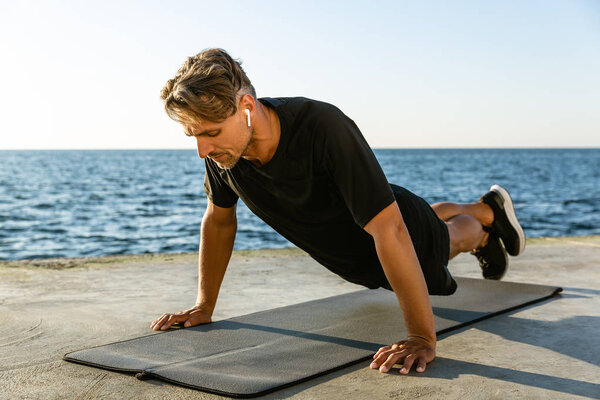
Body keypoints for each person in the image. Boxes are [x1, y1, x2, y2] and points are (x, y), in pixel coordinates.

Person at [150, 48, 526, 375]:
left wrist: (421, 337)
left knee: (444, 242)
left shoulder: (321, 126)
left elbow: (391, 229)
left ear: (246, 107)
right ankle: (477, 209)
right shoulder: (224, 155)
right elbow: (218, 221)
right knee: (403, 223)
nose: (201, 149)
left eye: (210, 133)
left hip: (397, 230)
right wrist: (204, 305)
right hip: (361, 244)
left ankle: (486, 219)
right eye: (193, 135)